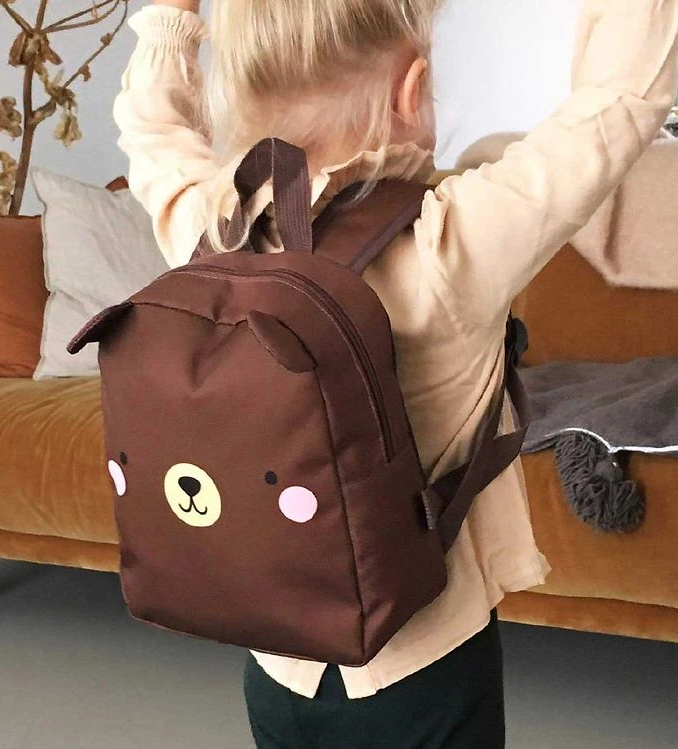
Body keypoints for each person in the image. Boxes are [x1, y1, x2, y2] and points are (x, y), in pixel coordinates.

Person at [113, 1, 678, 746]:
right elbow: (618, 105)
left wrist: (173, 17)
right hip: (421, 664)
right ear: (411, 91)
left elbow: (152, 130)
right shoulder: (449, 240)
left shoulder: (214, 229)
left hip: (274, 664)